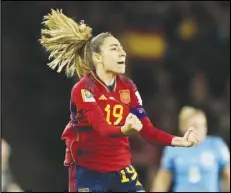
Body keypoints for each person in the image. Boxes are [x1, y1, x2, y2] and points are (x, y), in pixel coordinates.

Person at [40, 9, 200, 192]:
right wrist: (125, 129)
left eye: (122, 49)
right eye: (115, 49)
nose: (123, 53)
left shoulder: (128, 87)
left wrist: (180, 141)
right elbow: (101, 127)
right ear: (98, 58)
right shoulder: (83, 89)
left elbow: (148, 130)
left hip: (121, 167)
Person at [151, 106, 230, 192]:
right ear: (183, 128)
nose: (200, 129)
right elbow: (162, 181)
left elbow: (228, 175)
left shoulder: (216, 145)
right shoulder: (174, 147)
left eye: (203, 125)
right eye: (195, 126)